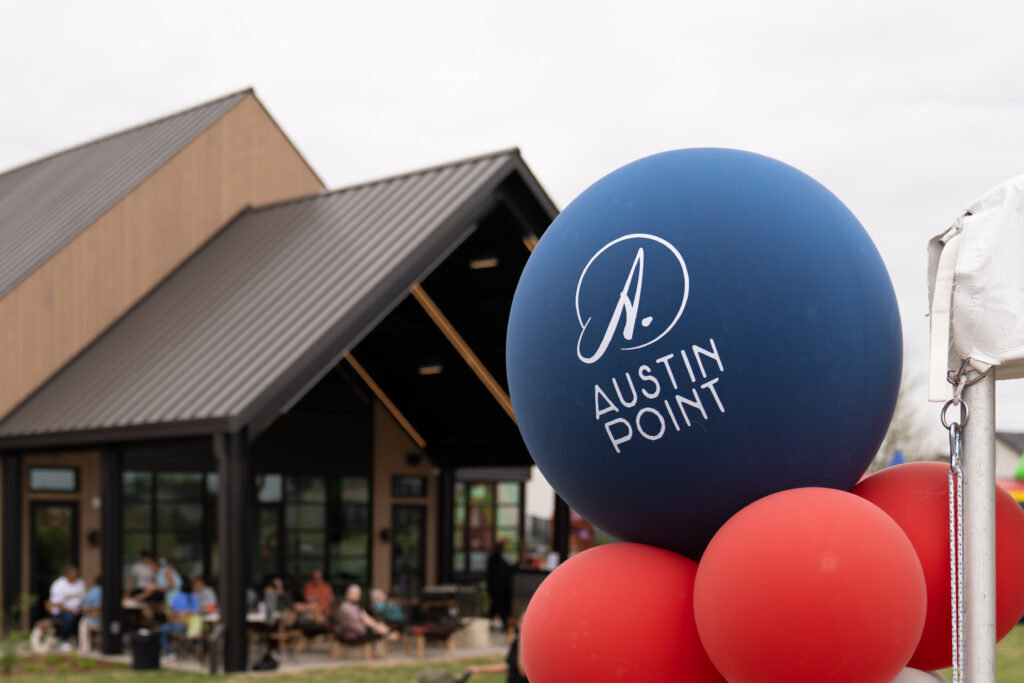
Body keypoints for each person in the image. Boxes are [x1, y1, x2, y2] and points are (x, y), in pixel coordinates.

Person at [159, 577, 200, 660]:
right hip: (191, 627)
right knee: (165, 630)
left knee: (161, 630)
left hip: (179, 626)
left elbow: (169, 611)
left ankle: (169, 653)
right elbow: (196, 612)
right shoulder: (194, 598)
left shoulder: (177, 597)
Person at [48, 565, 86, 651]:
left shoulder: (80, 583)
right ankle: (64, 640)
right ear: (68, 575)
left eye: (77, 575)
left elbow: (83, 598)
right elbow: (57, 604)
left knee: (87, 617)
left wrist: (80, 609)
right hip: (61, 611)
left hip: (78, 610)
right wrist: (73, 611)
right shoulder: (59, 585)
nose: (76, 576)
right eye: (74, 575)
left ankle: (80, 640)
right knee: (69, 618)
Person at [486, 541, 514, 626]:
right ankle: (503, 620)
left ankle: (496, 620)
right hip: (498, 589)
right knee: (499, 604)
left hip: (496, 588)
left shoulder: (495, 559)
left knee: (496, 605)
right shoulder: (496, 560)